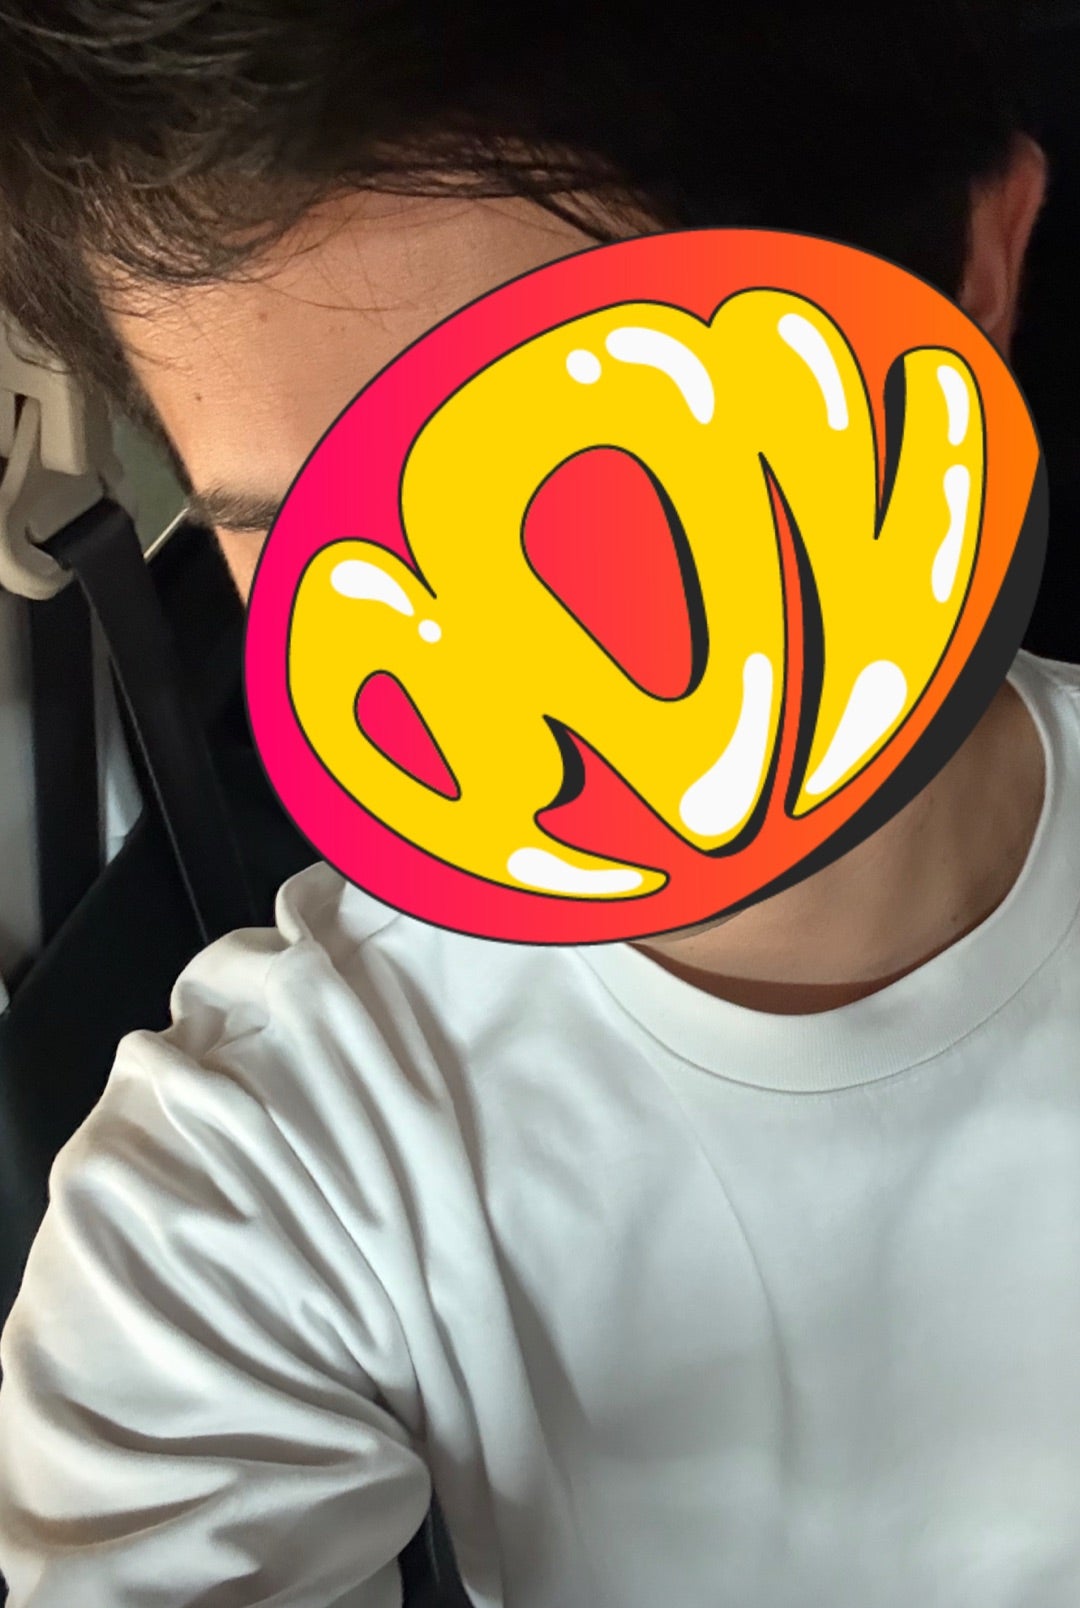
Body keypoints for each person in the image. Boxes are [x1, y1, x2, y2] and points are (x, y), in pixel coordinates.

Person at [0, 3, 1077, 1604]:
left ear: (973, 268)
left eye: (613, 481)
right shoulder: (261, 1174)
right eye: (310, 539)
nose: (529, 683)